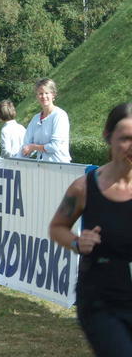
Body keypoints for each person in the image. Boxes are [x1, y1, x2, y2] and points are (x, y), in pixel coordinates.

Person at [49, 103, 132, 356]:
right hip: (101, 300)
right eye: (126, 138)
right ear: (108, 137)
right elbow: (57, 227)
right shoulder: (84, 188)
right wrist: (77, 242)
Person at [21, 78, 71, 163]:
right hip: (41, 167)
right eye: (40, 93)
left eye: (47, 93)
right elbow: (26, 144)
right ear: (37, 96)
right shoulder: (35, 119)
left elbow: (55, 146)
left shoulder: (60, 115)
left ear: (53, 95)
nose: (44, 96)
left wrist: (33, 147)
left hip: (59, 166)